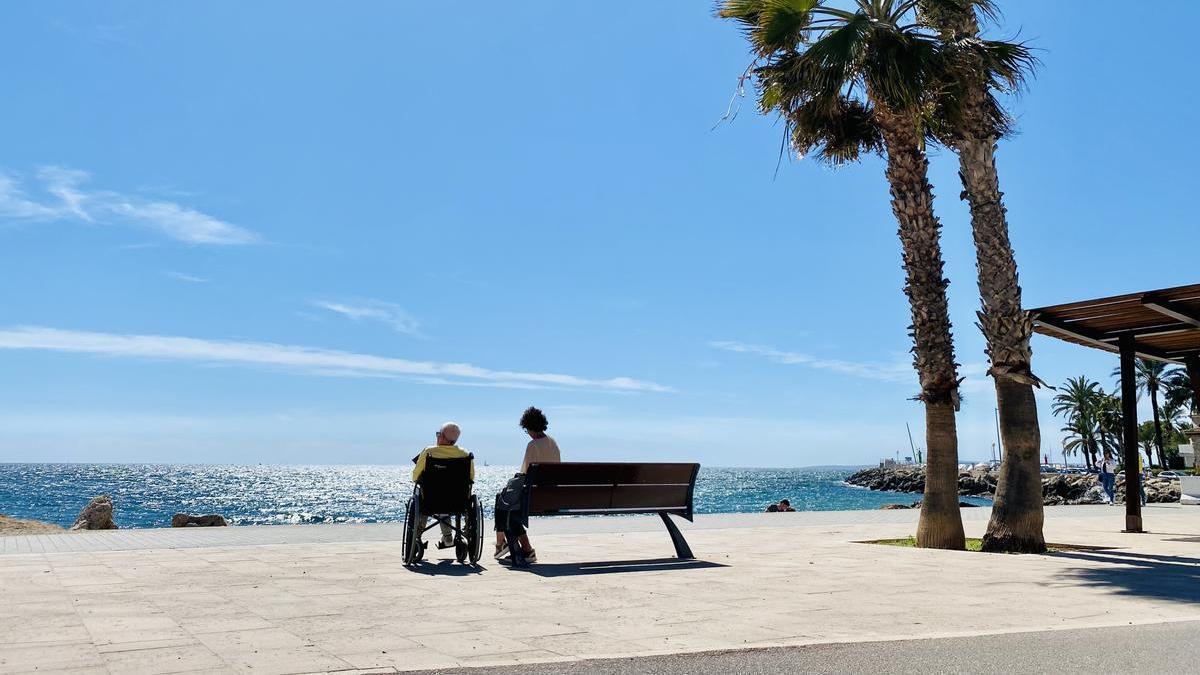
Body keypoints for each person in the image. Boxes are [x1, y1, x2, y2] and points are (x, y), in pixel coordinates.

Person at [495, 406, 561, 563]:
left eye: (526, 430)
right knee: (505, 506)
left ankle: (516, 547)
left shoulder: (533, 445)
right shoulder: (553, 442)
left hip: (535, 499)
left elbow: (524, 473)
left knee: (505, 507)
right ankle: (506, 545)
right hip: (552, 497)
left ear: (530, 427)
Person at [412, 422, 474, 549]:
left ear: (443, 437)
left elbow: (415, 476)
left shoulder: (429, 451)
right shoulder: (466, 454)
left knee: (421, 494)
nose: (437, 437)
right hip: (457, 501)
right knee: (446, 499)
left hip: (431, 500)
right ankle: (449, 537)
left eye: (438, 434)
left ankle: (417, 534)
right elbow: (471, 478)